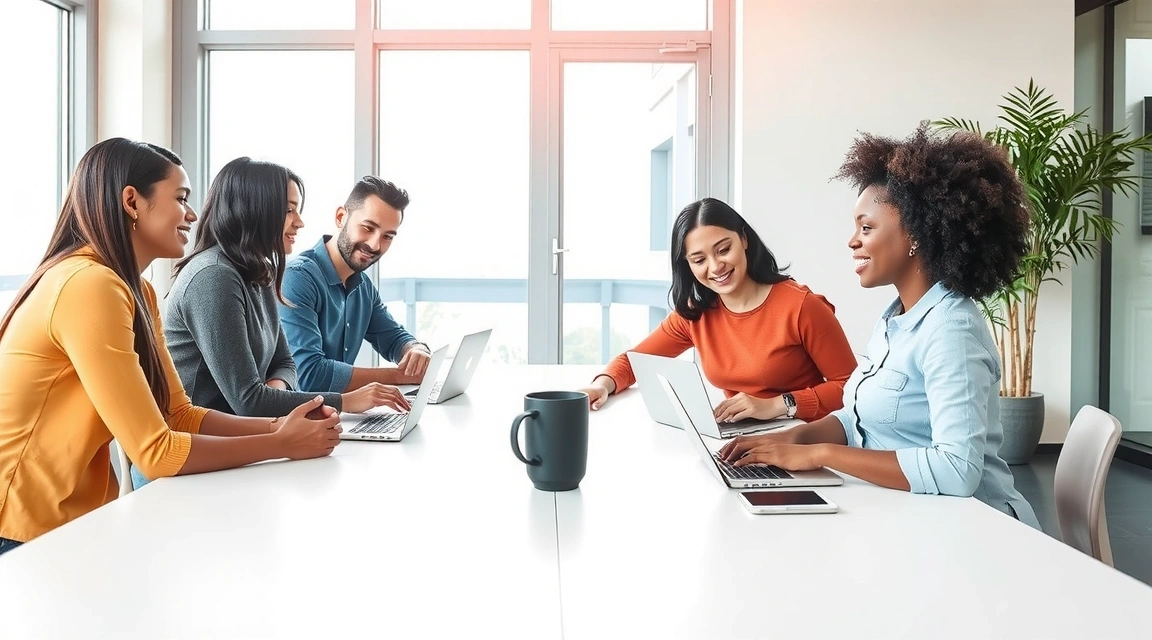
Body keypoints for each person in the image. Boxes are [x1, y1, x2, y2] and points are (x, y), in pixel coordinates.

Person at [0, 139, 342, 554]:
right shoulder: (89, 285)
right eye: (181, 198)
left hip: (70, 523)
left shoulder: (136, 290)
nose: (193, 214)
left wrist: (281, 427)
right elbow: (155, 452)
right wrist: (280, 443)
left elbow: (177, 414)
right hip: (19, 526)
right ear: (132, 201)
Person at [719, 124, 1041, 529]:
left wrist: (820, 455)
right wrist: (782, 443)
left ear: (917, 236)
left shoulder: (951, 330)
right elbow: (857, 421)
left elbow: (958, 471)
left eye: (866, 227)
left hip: (978, 532)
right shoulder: (896, 318)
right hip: (912, 517)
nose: (852, 241)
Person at [163, 157, 409, 417]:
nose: (300, 222)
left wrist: (275, 392)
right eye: (289, 210)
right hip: (203, 446)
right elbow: (248, 402)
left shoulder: (261, 274)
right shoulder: (213, 276)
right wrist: (345, 401)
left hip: (249, 436)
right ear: (254, 209)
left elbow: (285, 363)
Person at [580, 197, 857, 423]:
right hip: (746, 439)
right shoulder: (696, 314)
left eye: (723, 250)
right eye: (699, 259)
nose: (715, 267)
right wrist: (601, 385)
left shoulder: (802, 306)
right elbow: (633, 361)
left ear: (744, 240)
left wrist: (777, 405)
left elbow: (851, 387)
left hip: (808, 437)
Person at [279, 176, 430, 394]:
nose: (375, 244)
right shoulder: (298, 278)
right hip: (296, 422)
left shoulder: (362, 286)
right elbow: (309, 375)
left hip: (338, 416)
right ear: (341, 217)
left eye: (387, 236)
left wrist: (416, 349)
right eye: (368, 228)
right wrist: (398, 376)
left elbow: (393, 337)